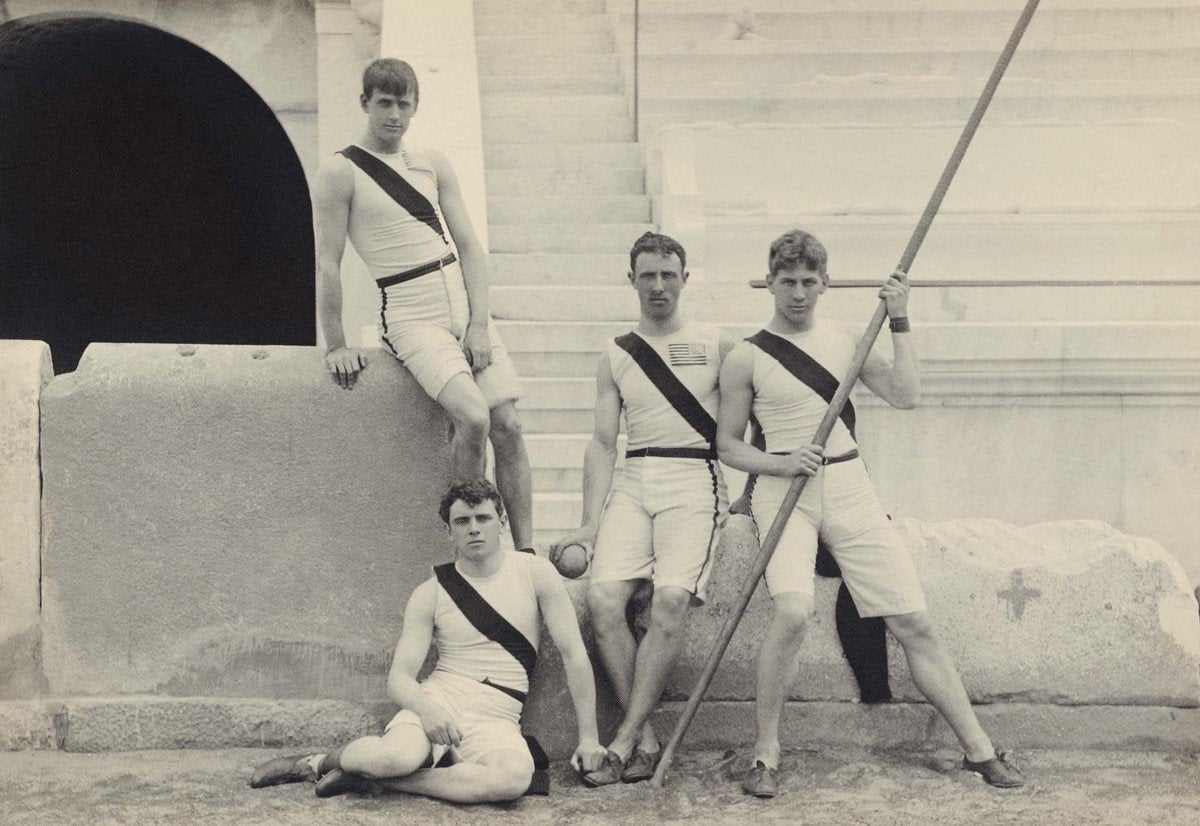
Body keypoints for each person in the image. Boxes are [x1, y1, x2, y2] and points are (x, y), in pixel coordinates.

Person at [717, 229, 1025, 797]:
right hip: (783, 492)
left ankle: (979, 750)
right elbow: (729, 447)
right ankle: (766, 753)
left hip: (849, 483)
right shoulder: (747, 355)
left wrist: (901, 319)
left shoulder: (846, 340)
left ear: (826, 283)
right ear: (769, 282)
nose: (799, 294)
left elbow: (905, 395)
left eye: (810, 282)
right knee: (791, 613)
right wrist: (782, 463)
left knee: (914, 621)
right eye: (788, 282)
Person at [249, 478, 607, 802]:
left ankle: (376, 783)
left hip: (497, 715)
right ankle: (316, 763)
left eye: (483, 518)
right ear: (449, 532)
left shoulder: (535, 573)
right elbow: (399, 680)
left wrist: (589, 737)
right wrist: (428, 711)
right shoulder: (431, 593)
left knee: (514, 779)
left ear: (503, 523)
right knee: (394, 757)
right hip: (440, 698)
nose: (474, 530)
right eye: (462, 522)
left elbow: (574, 654)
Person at [314, 58, 533, 552]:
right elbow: (327, 263)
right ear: (365, 103)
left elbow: (470, 248)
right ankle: (469, 544)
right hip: (411, 312)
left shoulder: (431, 161)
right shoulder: (340, 169)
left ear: (416, 106)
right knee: (473, 417)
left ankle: (526, 552)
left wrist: (479, 320)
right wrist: (337, 344)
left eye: (403, 104)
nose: (394, 114)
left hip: (461, 299)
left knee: (510, 426)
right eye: (384, 103)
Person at [549, 232, 732, 785]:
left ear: (685, 278)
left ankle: (624, 739)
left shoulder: (719, 343)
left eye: (668, 275)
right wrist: (589, 519)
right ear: (631, 280)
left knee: (672, 601)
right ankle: (646, 738)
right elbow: (604, 443)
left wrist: (750, 491)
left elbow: (756, 418)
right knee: (604, 600)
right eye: (647, 275)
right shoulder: (616, 353)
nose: (658, 286)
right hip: (636, 476)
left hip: (695, 476)